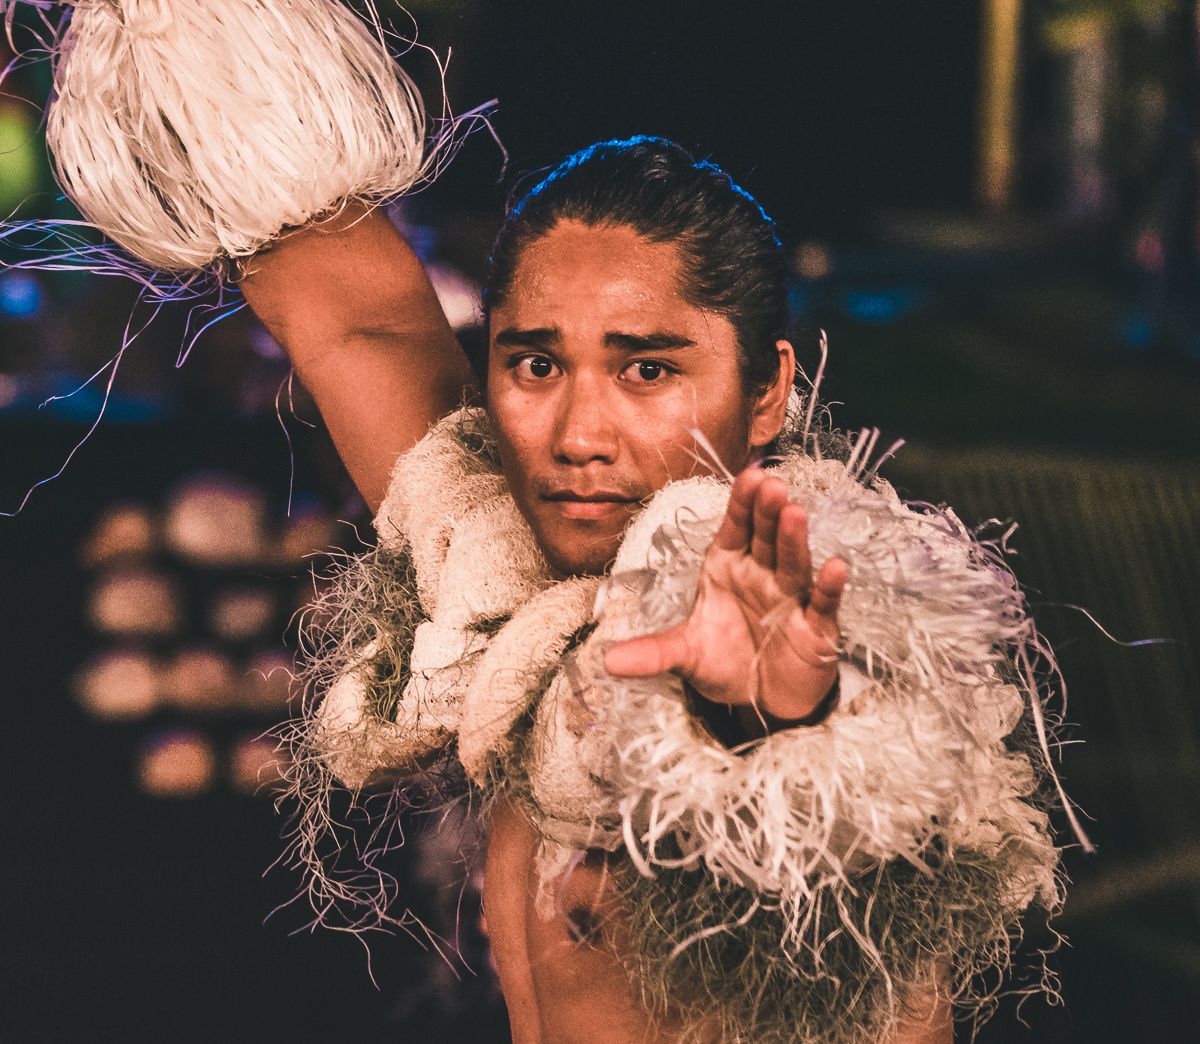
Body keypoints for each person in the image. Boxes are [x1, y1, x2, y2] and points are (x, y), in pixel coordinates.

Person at [241, 137, 964, 1043]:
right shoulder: (505, 581)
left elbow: (842, 866)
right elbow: (360, 326)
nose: (579, 434)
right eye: (536, 365)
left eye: (648, 370)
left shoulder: (847, 641)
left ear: (769, 391)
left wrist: (770, 732)